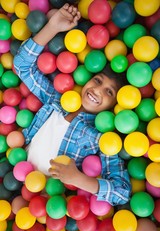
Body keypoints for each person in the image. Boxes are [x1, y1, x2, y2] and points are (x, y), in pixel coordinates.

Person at [14, 3, 131, 206]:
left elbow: (122, 192)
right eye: (97, 80)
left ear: (115, 105)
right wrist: (53, 27)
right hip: (14, 172)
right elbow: (22, 66)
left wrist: (79, 179)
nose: (97, 90)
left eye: (109, 92)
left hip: (47, 202)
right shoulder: (57, 101)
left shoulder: (102, 137)